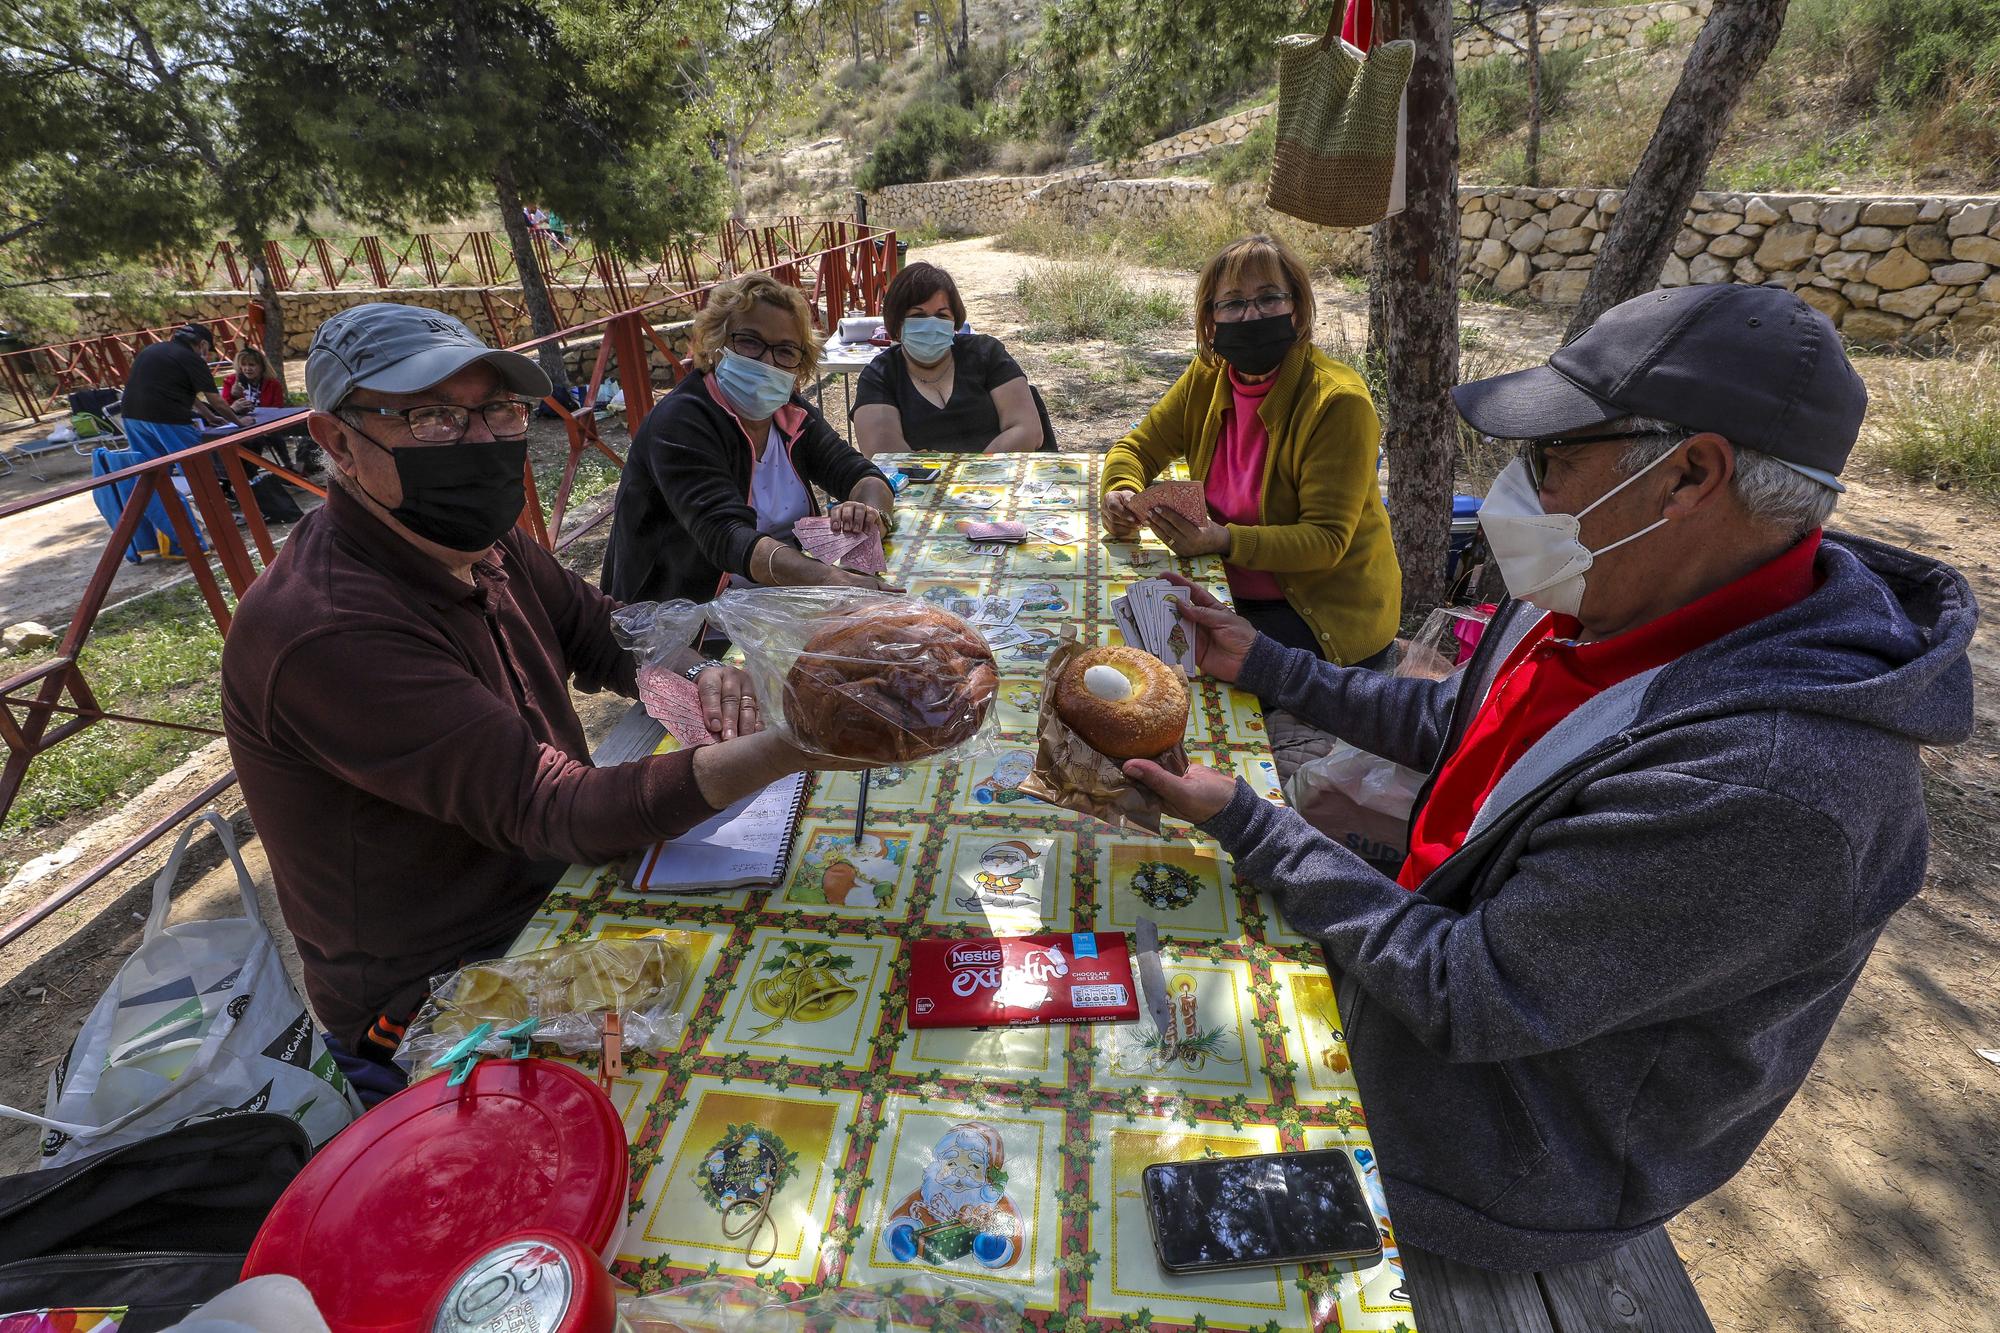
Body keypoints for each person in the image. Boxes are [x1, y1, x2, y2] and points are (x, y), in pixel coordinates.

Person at [1120, 285, 1976, 1270]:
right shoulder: (1606, 580)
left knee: (1128, 1136)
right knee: (1124, 965)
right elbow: (1458, 726)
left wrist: (1253, 821)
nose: (1522, 492)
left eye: (1552, 457)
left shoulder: (1771, 784)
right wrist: (1261, 664)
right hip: (1420, 946)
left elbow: (1469, 989)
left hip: (1488, 1152)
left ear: (1690, 474)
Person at [221, 303, 869, 1102]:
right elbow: (554, 806)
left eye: (497, 410)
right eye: (431, 417)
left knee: (825, 973)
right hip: (443, 997)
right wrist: (793, 744)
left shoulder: (476, 542)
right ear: (338, 442)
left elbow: (605, 632)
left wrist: (694, 675)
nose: (482, 441)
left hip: (564, 891)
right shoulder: (324, 631)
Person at [1098, 235, 1399, 670]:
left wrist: (1223, 538)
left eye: (1268, 298)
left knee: (1173, 669)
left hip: (1318, 617)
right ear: (1211, 317)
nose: (1251, 315)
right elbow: (1136, 447)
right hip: (1227, 589)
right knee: (1123, 642)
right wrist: (1121, 492)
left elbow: (1326, 539)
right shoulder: (1209, 375)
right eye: (1233, 303)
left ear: (1295, 307)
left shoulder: (1335, 401)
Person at [602, 272, 896, 604]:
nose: (767, 361)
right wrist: (829, 578)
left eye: (785, 351)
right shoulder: (680, 422)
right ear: (717, 344)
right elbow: (725, 535)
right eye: (750, 342)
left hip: (776, 597)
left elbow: (860, 473)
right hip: (685, 619)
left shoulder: (789, 412)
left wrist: (871, 516)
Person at [852, 262, 1044, 456]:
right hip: (919, 484)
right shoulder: (880, 376)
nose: (931, 324)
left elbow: (1027, 430)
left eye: (942, 315)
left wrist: (974, 473)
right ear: (897, 323)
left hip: (999, 480)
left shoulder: (986, 353)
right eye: (918, 315)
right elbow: (885, 455)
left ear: (954, 321)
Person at [118, 322, 247, 458]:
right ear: (203, 345)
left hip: (131, 415)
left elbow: (183, 392)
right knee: (195, 466)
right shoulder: (191, 359)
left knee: (152, 471)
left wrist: (210, 417)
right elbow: (216, 401)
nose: (208, 355)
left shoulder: (152, 350)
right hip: (166, 417)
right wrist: (239, 423)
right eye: (208, 350)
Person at [222, 345, 286, 411]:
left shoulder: (273, 384)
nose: (247, 368)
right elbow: (225, 409)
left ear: (262, 367)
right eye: (243, 365)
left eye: (251, 365)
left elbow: (278, 408)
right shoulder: (230, 381)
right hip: (240, 419)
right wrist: (233, 396)